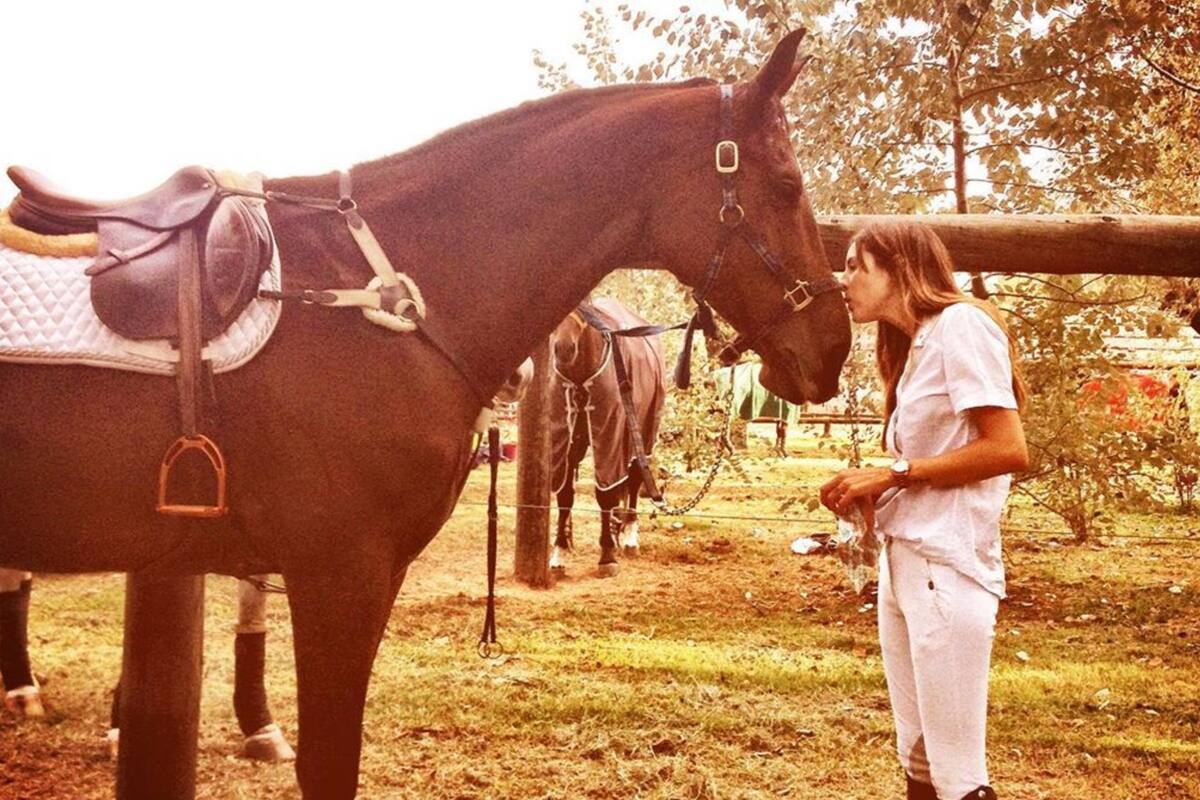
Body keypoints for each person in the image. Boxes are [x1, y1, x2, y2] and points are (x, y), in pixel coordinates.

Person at [819, 221, 1028, 800]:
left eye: (857, 265)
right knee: (919, 764)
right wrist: (871, 488)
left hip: (948, 567)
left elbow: (1007, 448)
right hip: (905, 564)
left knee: (958, 775)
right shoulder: (915, 346)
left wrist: (894, 472)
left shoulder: (962, 324)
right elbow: (934, 460)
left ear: (901, 268)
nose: (844, 280)